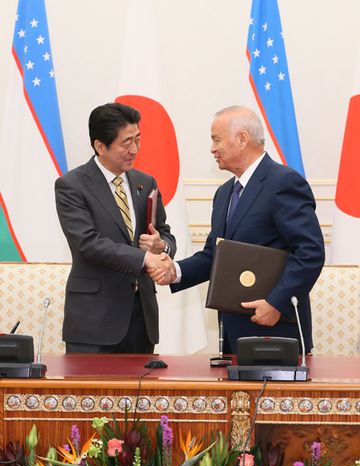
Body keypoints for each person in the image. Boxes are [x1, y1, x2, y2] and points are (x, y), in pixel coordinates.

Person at [149, 105, 325, 354]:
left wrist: (277, 303)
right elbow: (215, 255)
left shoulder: (283, 182)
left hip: (276, 331)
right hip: (232, 333)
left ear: (242, 139)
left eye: (216, 139)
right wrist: (174, 271)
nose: (212, 148)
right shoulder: (224, 194)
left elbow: (310, 252)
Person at [55, 102, 176, 354]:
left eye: (138, 139)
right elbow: (87, 243)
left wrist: (161, 245)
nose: (135, 150)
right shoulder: (72, 186)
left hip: (141, 319)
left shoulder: (145, 182)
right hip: (94, 322)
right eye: (126, 142)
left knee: (140, 394)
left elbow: (164, 233)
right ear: (100, 146)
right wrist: (145, 258)